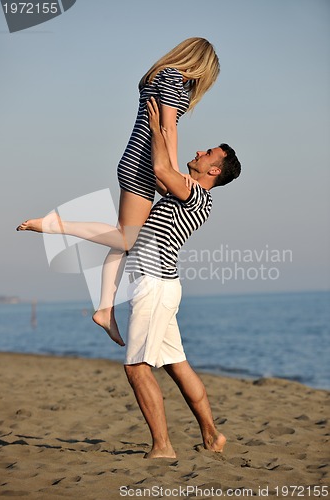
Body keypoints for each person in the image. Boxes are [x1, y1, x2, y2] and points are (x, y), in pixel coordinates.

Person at [17, 38, 220, 347]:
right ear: (200, 65)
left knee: (124, 238)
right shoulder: (172, 78)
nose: (200, 84)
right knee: (126, 238)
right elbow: (167, 129)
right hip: (142, 164)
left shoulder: (158, 75)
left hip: (139, 161)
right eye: (205, 76)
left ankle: (105, 310)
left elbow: (163, 128)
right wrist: (174, 170)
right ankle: (56, 225)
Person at [122, 97, 241, 458]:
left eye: (208, 153)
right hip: (162, 285)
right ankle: (212, 435)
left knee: (137, 367)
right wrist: (164, 130)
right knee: (177, 365)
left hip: (155, 285)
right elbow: (164, 171)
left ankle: (163, 446)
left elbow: (161, 167)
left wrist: (160, 125)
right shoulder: (189, 194)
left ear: (214, 170)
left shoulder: (195, 196)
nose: (200, 151)